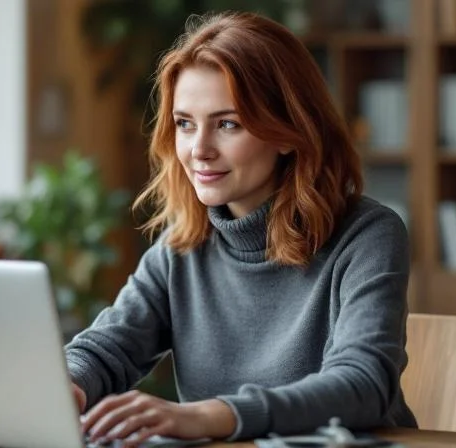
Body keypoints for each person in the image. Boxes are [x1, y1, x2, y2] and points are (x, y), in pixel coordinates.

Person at [65, 11, 417, 445]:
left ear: (289, 132)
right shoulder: (181, 246)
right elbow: (106, 350)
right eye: (184, 123)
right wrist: (67, 385)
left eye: (227, 124)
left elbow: (364, 385)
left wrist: (207, 416)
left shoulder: (368, 235)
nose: (199, 150)